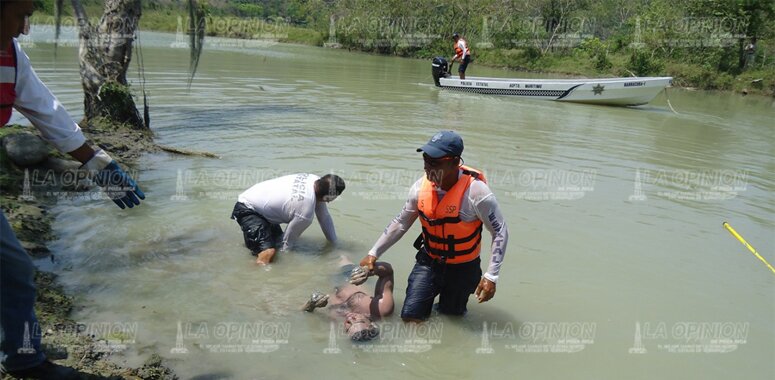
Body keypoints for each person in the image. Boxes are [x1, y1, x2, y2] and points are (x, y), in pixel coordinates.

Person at [1, 0, 145, 377]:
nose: (25, 28)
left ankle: (23, 352)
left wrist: (98, 164)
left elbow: (46, 112)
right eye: (21, 15)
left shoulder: (11, 56)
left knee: (13, 269)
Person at [359, 131, 507, 322]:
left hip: (463, 267)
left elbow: (500, 231)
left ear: (455, 162)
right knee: (411, 316)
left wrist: (491, 276)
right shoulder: (419, 188)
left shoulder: (477, 193)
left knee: (451, 317)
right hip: (429, 260)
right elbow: (401, 222)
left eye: (435, 162)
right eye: (426, 160)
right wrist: (373, 253)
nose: (428, 167)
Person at [231, 173, 345, 265]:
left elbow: (324, 217)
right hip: (248, 209)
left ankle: (253, 247)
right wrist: (286, 266)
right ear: (329, 198)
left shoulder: (313, 179)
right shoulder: (305, 212)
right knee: (269, 252)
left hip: (259, 204)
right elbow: (286, 245)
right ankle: (251, 276)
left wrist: (335, 245)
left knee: (276, 240)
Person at [302, 255, 394, 341]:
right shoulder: (380, 308)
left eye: (349, 325)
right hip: (350, 277)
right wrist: (368, 271)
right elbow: (388, 272)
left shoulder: (334, 323)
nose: (350, 318)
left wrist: (311, 304)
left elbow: (299, 311)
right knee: (338, 254)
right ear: (372, 324)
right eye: (358, 321)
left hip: (327, 284)